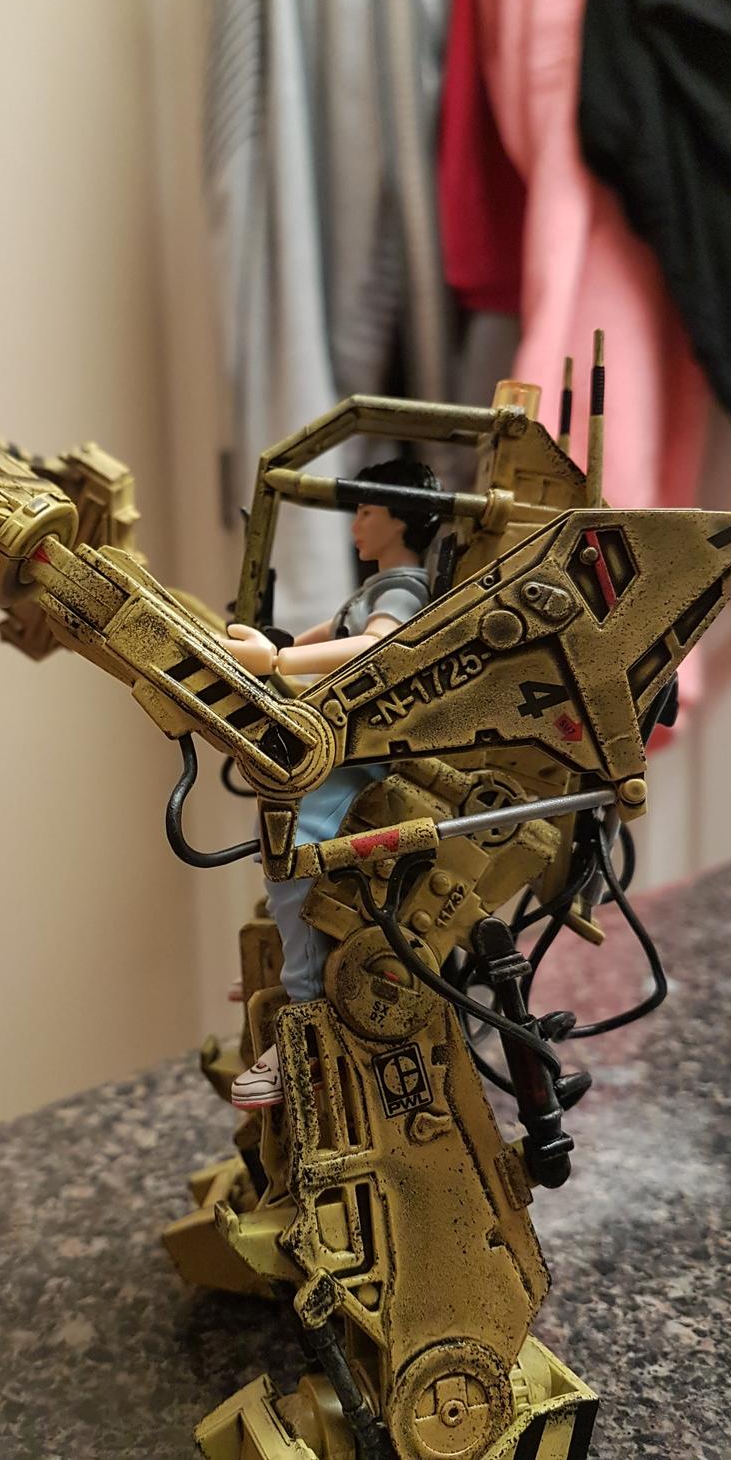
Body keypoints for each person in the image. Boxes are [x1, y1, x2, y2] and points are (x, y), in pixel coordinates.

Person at [221, 455, 441, 1107]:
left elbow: (376, 647)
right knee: (277, 845)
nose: (355, 524)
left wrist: (278, 658)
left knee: (296, 854)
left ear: (399, 518)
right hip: (340, 750)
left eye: (367, 511)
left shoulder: (403, 589)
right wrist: (263, 644)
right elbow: (312, 638)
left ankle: (308, 1015)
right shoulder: (374, 586)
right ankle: (294, 963)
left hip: (364, 760)